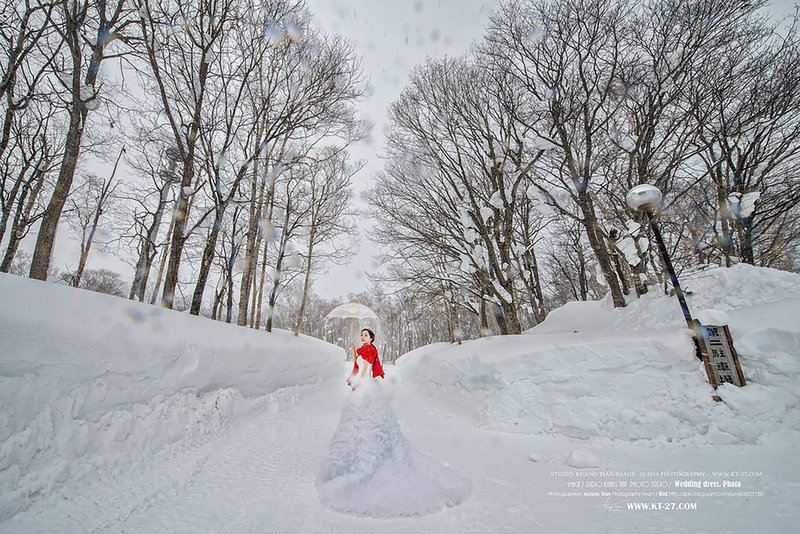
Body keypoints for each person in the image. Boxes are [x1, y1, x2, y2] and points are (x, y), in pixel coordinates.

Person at [317, 327, 471, 517]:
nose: (362, 337)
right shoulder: (364, 350)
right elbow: (361, 364)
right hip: (367, 387)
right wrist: (353, 350)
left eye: (366, 335)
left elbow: (364, 371)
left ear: (371, 338)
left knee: (366, 425)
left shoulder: (368, 350)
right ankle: (361, 453)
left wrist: (357, 381)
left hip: (365, 388)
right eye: (361, 335)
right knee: (362, 424)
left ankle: (365, 463)